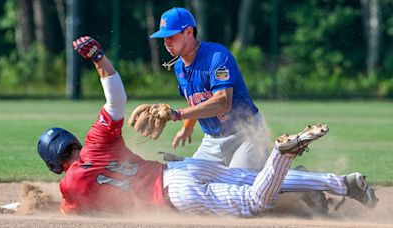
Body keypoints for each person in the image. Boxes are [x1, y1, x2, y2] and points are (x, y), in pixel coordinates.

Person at [36, 36, 377, 216]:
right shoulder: (97, 142)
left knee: (251, 203)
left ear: (54, 165)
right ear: (74, 142)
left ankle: (281, 155)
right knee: (251, 181)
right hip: (181, 170)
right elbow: (116, 100)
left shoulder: (69, 188)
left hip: (178, 193)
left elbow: (71, 209)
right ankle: (343, 184)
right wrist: (98, 57)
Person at [149, 7, 269, 171]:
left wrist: (178, 115)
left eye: (171, 36)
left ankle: (297, 180)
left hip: (246, 135)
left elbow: (223, 102)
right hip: (211, 142)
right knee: (187, 181)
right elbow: (197, 101)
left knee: (240, 191)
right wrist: (187, 127)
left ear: (189, 32)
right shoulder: (179, 67)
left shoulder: (217, 57)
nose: (166, 42)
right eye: (163, 38)